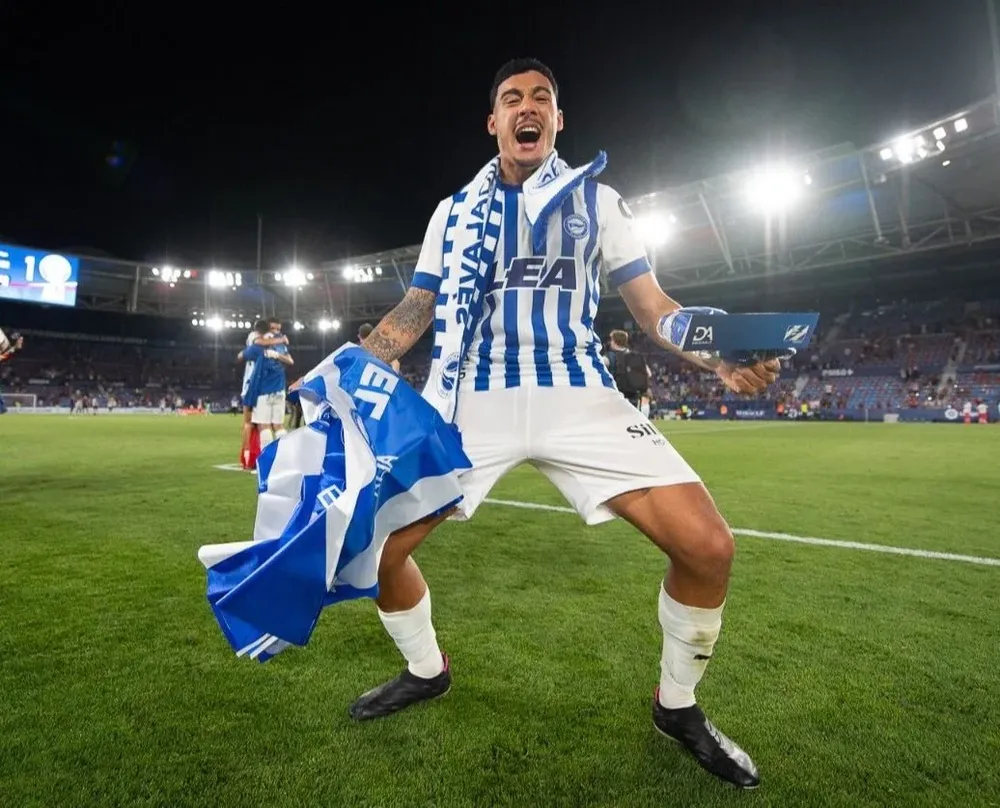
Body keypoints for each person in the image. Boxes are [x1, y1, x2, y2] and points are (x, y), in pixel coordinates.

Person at [351, 58, 779, 789]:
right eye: (512, 98)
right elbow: (415, 309)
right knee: (372, 548)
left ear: (557, 121)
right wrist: (351, 369)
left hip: (578, 392)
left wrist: (717, 359)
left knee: (708, 548)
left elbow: (653, 308)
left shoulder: (599, 200)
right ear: (493, 122)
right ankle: (426, 670)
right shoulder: (451, 212)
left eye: (542, 98)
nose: (529, 107)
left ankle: (677, 705)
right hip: (471, 401)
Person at [604, 329, 650, 409]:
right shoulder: (635, 356)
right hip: (633, 397)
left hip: (615, 396)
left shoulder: (609, 356)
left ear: (614, 341)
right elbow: (649, 373)